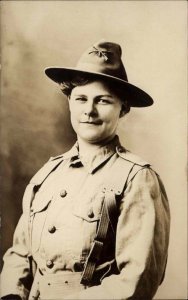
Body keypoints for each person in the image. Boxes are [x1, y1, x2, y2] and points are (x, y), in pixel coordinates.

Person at [1, 40, 170, 300]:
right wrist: (12, 294)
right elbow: (20, 254)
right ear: (69, 102)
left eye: (102, 101)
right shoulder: (47, 174)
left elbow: (136, 281)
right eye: (81, 99)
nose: (89, 111)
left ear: (123, 108)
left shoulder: (137, 178)